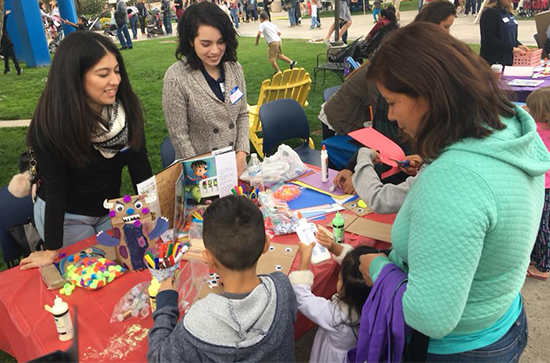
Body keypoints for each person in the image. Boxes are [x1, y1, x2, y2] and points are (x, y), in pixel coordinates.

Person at [359, 22, 550, 362]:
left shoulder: (455, 179)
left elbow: (428, 316)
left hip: (460, 349)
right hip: (501, 317)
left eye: (392, 102)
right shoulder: (508, 128)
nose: (389, 115)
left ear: (427, 95)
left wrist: (378, 269)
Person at [19, 31, 152, 270]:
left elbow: (139, 164)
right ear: (75, 77)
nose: (115, 80)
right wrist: (51, 250)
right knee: (90, 277)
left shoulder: (125, 110)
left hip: (107, 208)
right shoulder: (51, 124)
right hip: (66, 215)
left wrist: (152, 212)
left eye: (117, 70)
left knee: (123, 268)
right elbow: (57, 187)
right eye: (103, 74)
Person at [147, 195, 297, 362]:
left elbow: (158, 358)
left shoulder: (196, 324)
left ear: (208, 258)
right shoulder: (282, 288)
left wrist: (166, 304)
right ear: (266, 244)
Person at [162, 2, 249, 176]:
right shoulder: (176, 77)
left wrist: (242, 153)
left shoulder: (234, 67)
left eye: (220, 42)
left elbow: (242, 114)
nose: (215, 50)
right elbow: (179, 135)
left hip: (236, 166)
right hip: (200, 172)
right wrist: (200, 171)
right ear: (190, 41)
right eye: (206, 44)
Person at [290, 233, 375, 362]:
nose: (337, 279)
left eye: (339, 278)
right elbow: (357, 267)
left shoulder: (336, 316)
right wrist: (334, 247)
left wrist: (304, 259)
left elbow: (302, 297)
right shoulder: (377, 297)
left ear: (347, 290)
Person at [526, 87, 550, 280]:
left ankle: (543, 267)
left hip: (543, 185)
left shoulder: (536, 129)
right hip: (547, 184)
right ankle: (538, 257)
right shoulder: (543, 127)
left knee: (542, 225)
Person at [479, 0, 529, 66]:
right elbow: (489, 39)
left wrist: (518, 45)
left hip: (508, 60)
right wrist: (511, 49)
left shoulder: (508, 12)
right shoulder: (489, 13)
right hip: (493, 62)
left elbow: (509, 36)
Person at [2, 10, 22, 76]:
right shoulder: (2, 28)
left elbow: (3, 22)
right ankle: (17, 69)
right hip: (7, 43)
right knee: (12, 57)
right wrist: (6, 15)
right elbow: (4, 23)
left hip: (4, 43)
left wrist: (6, 15)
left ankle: (8, 68)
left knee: (6, 57)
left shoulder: (2, 29)